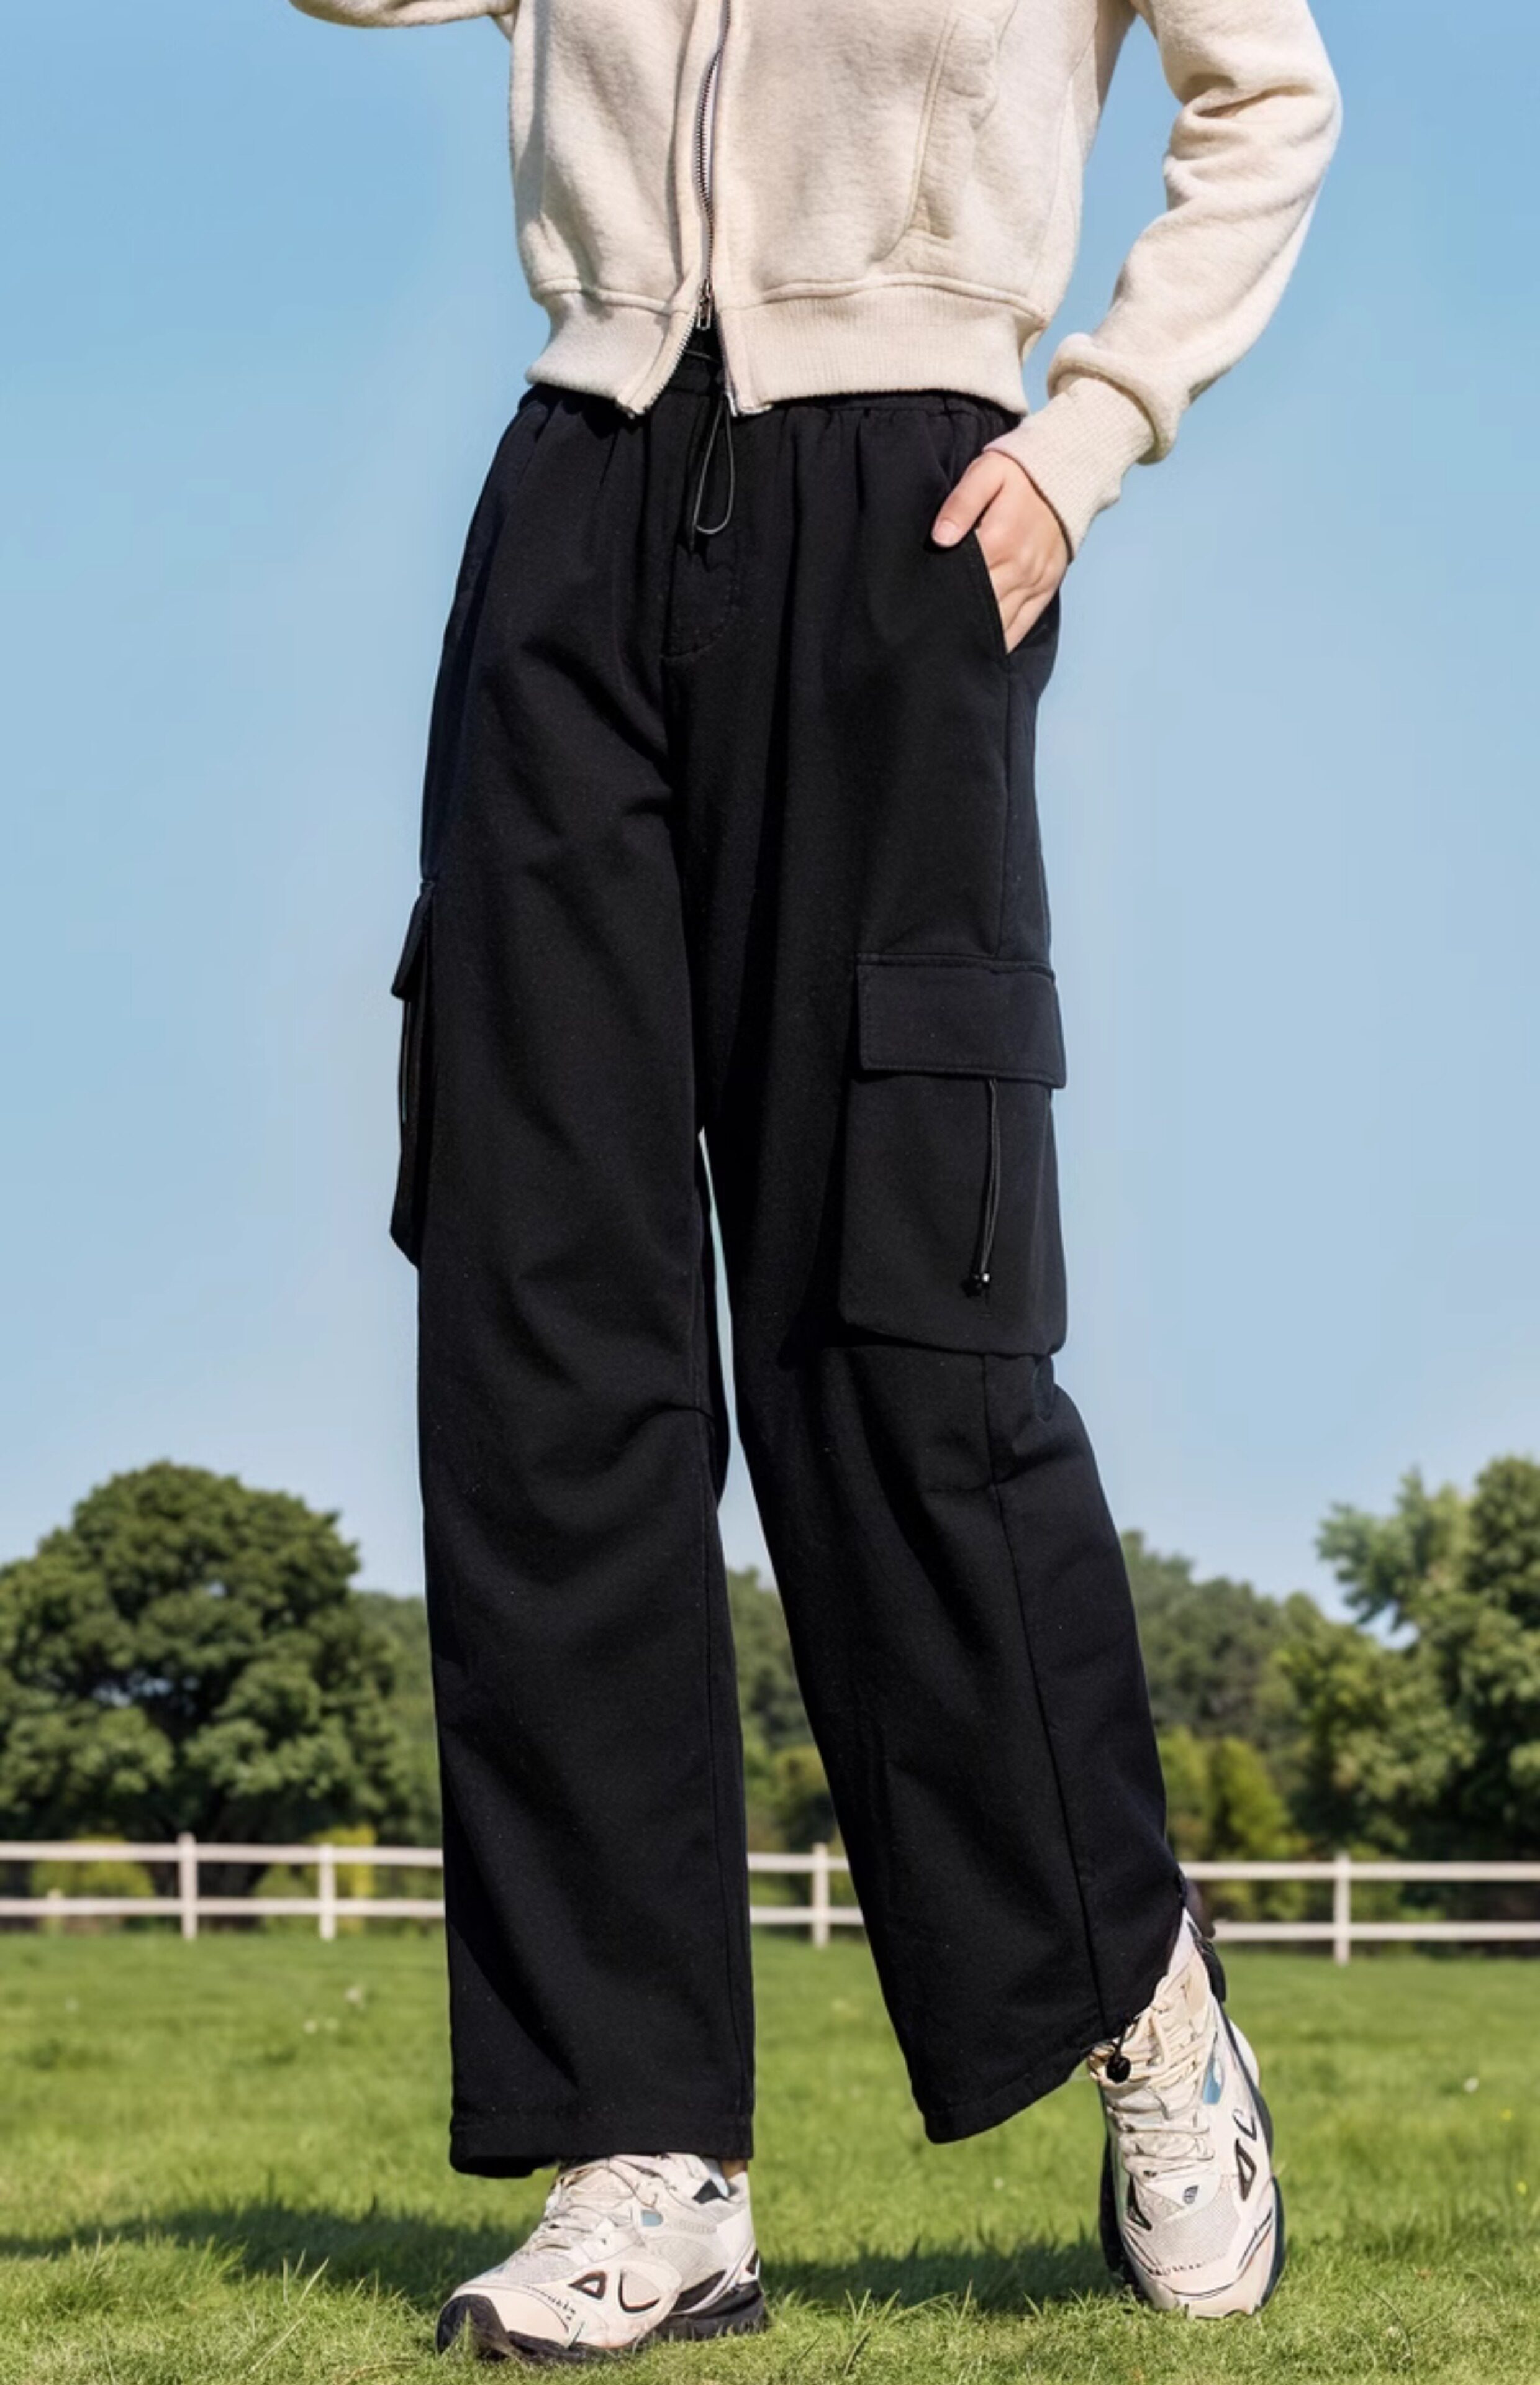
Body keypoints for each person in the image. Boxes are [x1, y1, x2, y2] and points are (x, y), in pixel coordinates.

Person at [290, 0, 1339, 2358]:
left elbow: (1272, 93)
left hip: (912, 515)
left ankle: (1140, 1995)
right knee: (544, 1346)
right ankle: (646, 2151)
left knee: (904, 1340)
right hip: (574, 497)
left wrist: (1094, 428)